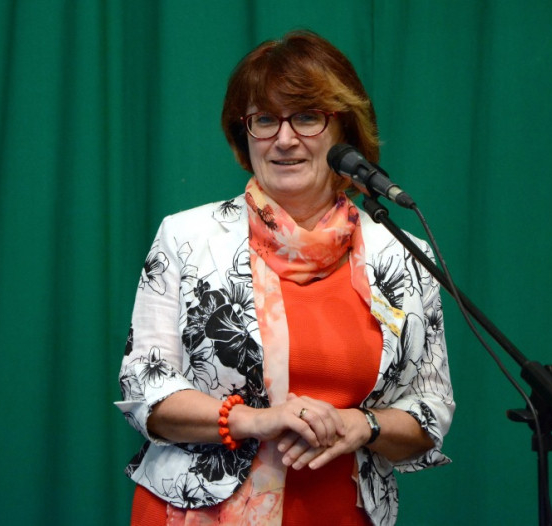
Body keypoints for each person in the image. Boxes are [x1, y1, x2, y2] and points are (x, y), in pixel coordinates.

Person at [116, 30, 454, 526]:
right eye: (265, 120)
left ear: (345, 133)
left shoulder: (404, 256)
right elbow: (145, 390)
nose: (285, 138)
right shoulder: (187, 238)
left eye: (308, 117)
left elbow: (431, 409)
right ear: (244, 134)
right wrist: (254, 420)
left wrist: (362, 425)